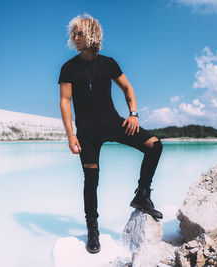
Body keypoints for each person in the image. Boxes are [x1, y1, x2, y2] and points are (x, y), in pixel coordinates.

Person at [58, 14, 163, 254]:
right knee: (91, 181)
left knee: (154, 145)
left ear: (92, 34)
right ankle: (92, 229)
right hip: (86, 133)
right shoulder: (68, 68)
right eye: (73, 33)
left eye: (80, 33)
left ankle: (142, 194)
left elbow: (127, 87)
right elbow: (65, 102)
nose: (75, 37)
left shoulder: (109, 63)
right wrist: (70, 134)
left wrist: (133, 114)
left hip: (114, 124)